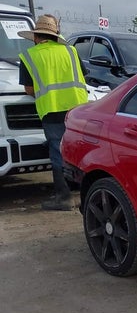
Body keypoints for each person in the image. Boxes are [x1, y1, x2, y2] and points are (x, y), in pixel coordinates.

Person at [18, 14, 88, 211]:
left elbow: (30, 90)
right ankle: (86, 196)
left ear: (35, 36)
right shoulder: (71, 51)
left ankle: (63, 197)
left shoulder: (29, 56)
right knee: (78, 150)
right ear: (56, 34)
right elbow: (83, 76)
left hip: (52, 109)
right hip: (77, 109)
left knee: (58, 151)